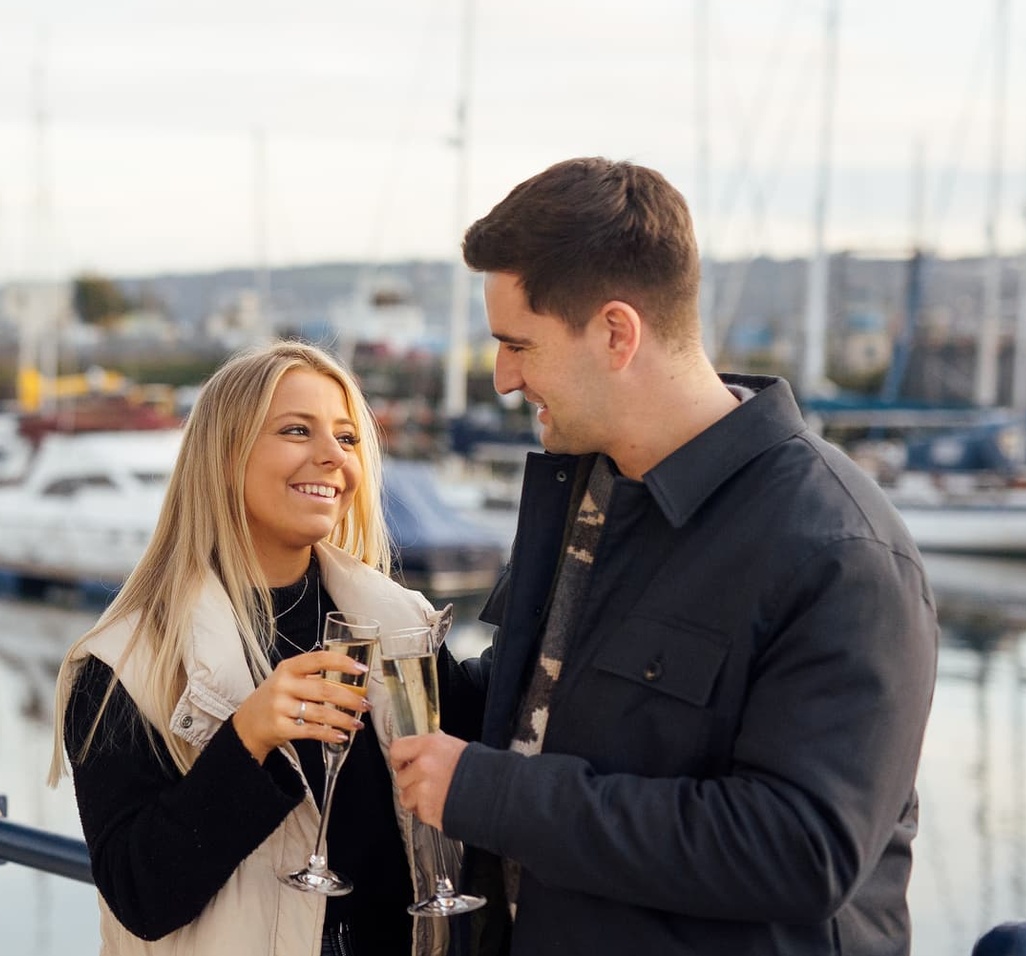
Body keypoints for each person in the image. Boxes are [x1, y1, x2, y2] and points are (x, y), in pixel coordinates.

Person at [389, 157, 940, 955]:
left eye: (519, 344)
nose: (504, 378)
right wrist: (387, 671)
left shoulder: (843, 552)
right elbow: (540, 708)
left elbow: (800, 849)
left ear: (617, 332)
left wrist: (489, 795)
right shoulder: (589, 490)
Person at [49, 341, 458, 956]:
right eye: (297, 430)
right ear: (223, 456)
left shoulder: (402, 625)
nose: (331, 457)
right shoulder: (123, 663)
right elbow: (140, 898)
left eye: (347, 439)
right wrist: (247, 742)